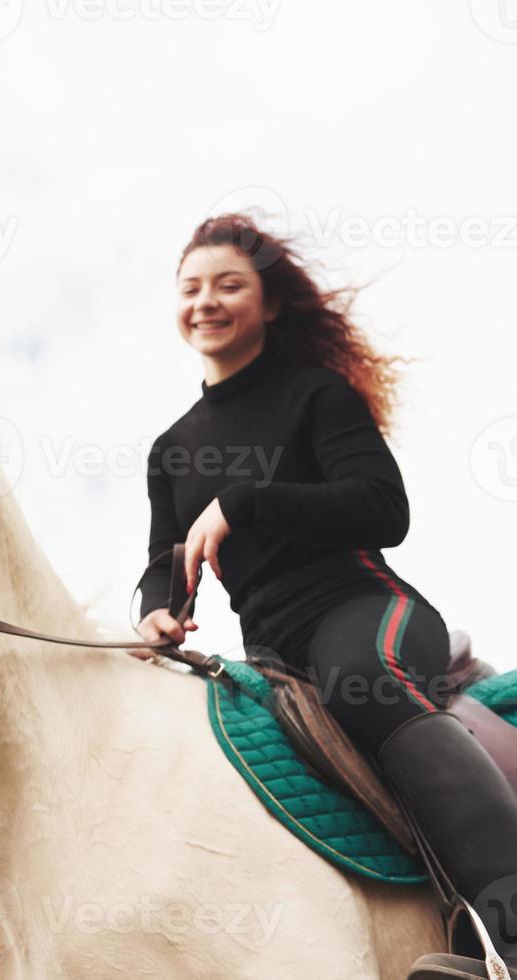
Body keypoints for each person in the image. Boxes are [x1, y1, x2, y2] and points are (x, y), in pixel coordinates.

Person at [133, 214, 517, 979]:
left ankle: (510, 930)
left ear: (270, 305)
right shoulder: (170, 448)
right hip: (269, 652)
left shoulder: (316, 395)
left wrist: (248, 501)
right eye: (191, 288)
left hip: (366, 611)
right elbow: (166, 560)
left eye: (228, 285)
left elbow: (383, 508)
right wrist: (156, 608)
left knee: (361, 682)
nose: (206, 301)